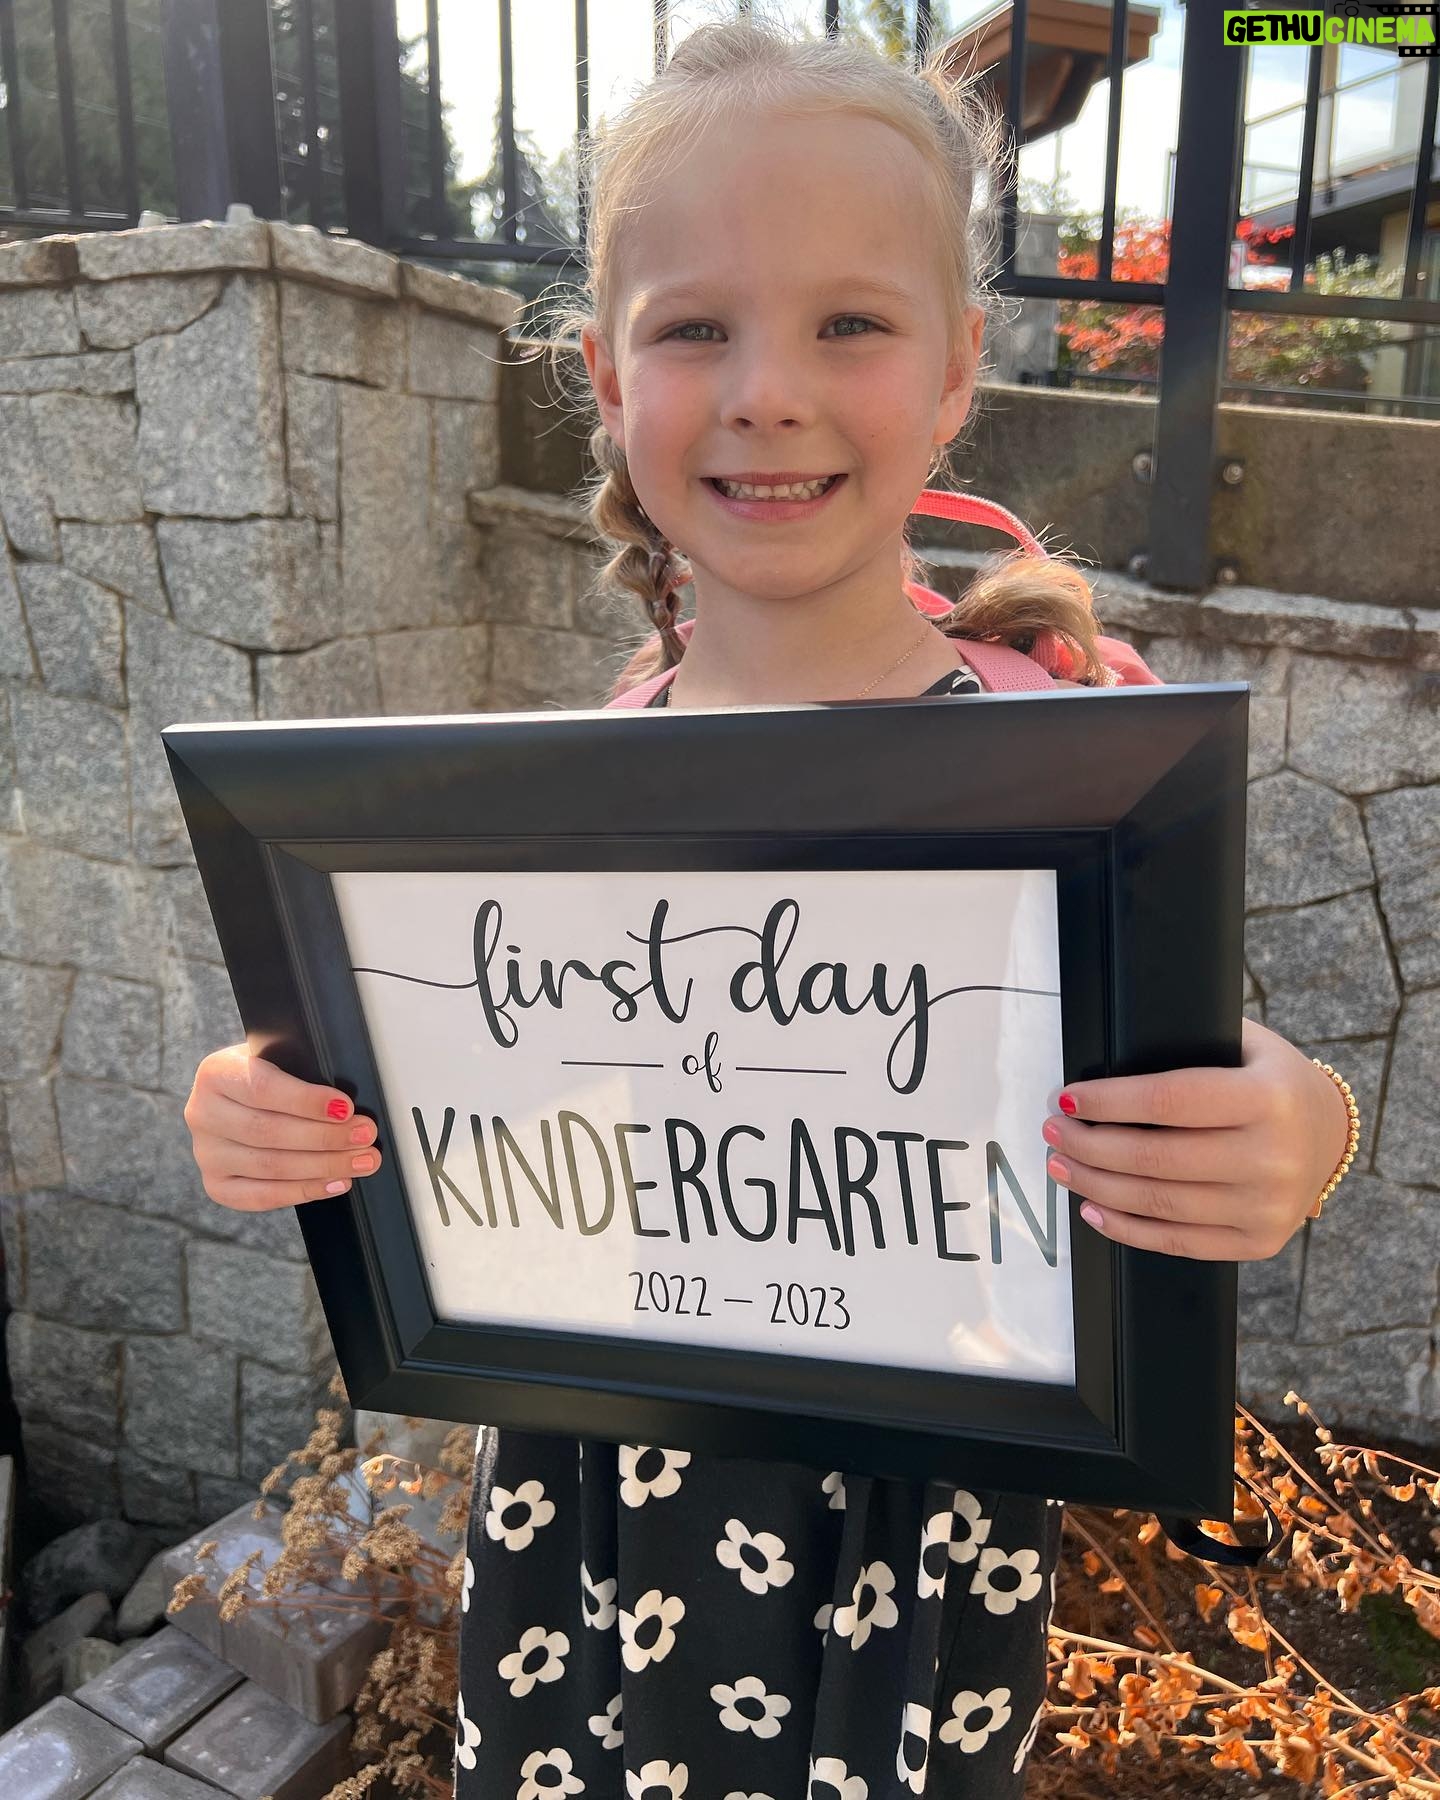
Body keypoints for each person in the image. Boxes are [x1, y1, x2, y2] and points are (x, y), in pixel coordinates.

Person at [183, 19, 1357, 1799]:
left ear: (956, 372)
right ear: (606, 373)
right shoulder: (577, 779)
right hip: (587, 1510)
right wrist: (285, 1099)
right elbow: (507, 1092)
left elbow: (1206, 1064)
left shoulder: (1055, 751)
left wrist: (1301, 1126)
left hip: (914, 1534)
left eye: (850, 324)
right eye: (695, 330)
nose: (768, 391)